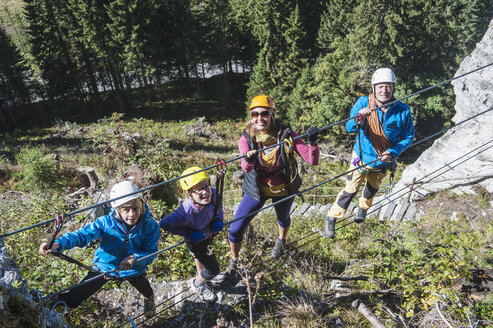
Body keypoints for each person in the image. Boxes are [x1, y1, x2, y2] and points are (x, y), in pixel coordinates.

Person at [223, 94, 320, 275]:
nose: (259, 118)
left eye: (264, 114)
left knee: (283, 218)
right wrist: (249, 159)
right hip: (256, 190)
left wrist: (312, 142)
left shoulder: (286, 134)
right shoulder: (246, 138)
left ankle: (281, 241)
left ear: (272, 114)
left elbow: (311, 160)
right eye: (255, 114)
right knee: (235, 228)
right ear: (251, 116)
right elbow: (246, 167)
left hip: (283, 188)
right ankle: (234, 260)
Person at [39, 181, 161, 317]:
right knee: (75, 298)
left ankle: (149, 298)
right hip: (105, 267)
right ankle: (54, 303)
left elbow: (151, 252)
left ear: (141, 206)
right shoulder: (105, 223)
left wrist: (134, 258)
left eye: (135, 208)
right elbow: (82, 235)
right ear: (118, 210)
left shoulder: (149, 225)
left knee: (146, 289)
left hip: (133, 269)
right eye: (126, 209)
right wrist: (58, 244)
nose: (132, 214)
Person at [324, 67, 415, 238]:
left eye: (388, 86)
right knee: (350, 189)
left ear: (393, 88)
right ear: (373, 88)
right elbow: (350, 127)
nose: (384, 90)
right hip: (361, 156)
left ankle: (363, 208)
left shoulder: (403, 111)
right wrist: (360, 117)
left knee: (373, 187)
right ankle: (332, 216)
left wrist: (392, 152)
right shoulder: (363, 103)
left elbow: (408, 137)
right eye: (380, 86)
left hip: (383, 159)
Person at [159, 167, 224, 303]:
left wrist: (219, 219)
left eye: (205, 186)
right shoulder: (185, 210)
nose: (204, 192)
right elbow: (164, 223)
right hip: (195, 241)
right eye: (198, 189)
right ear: (189, 195)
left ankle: (202, 275)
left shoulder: (214, 194)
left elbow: (219, 206)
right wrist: (188, 233)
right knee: (213, 269)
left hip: (208, 236)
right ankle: (197, 284)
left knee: (201, 260)